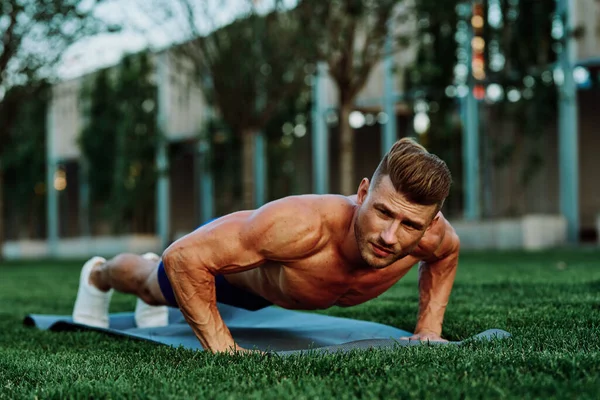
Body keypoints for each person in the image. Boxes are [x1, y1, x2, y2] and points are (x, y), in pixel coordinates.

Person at [73, 137, 459, 353]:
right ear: (361, 193)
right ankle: (98, 275)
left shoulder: (431, 236)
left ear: (429, 223)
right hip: (239, 273)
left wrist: (429, 327)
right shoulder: (301, 225)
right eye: (382, 213)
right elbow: (185, 257)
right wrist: (224, 348)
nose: (390, 237)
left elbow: (447, 254)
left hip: (282, 285)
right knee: (153, 287)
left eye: (410, 224)